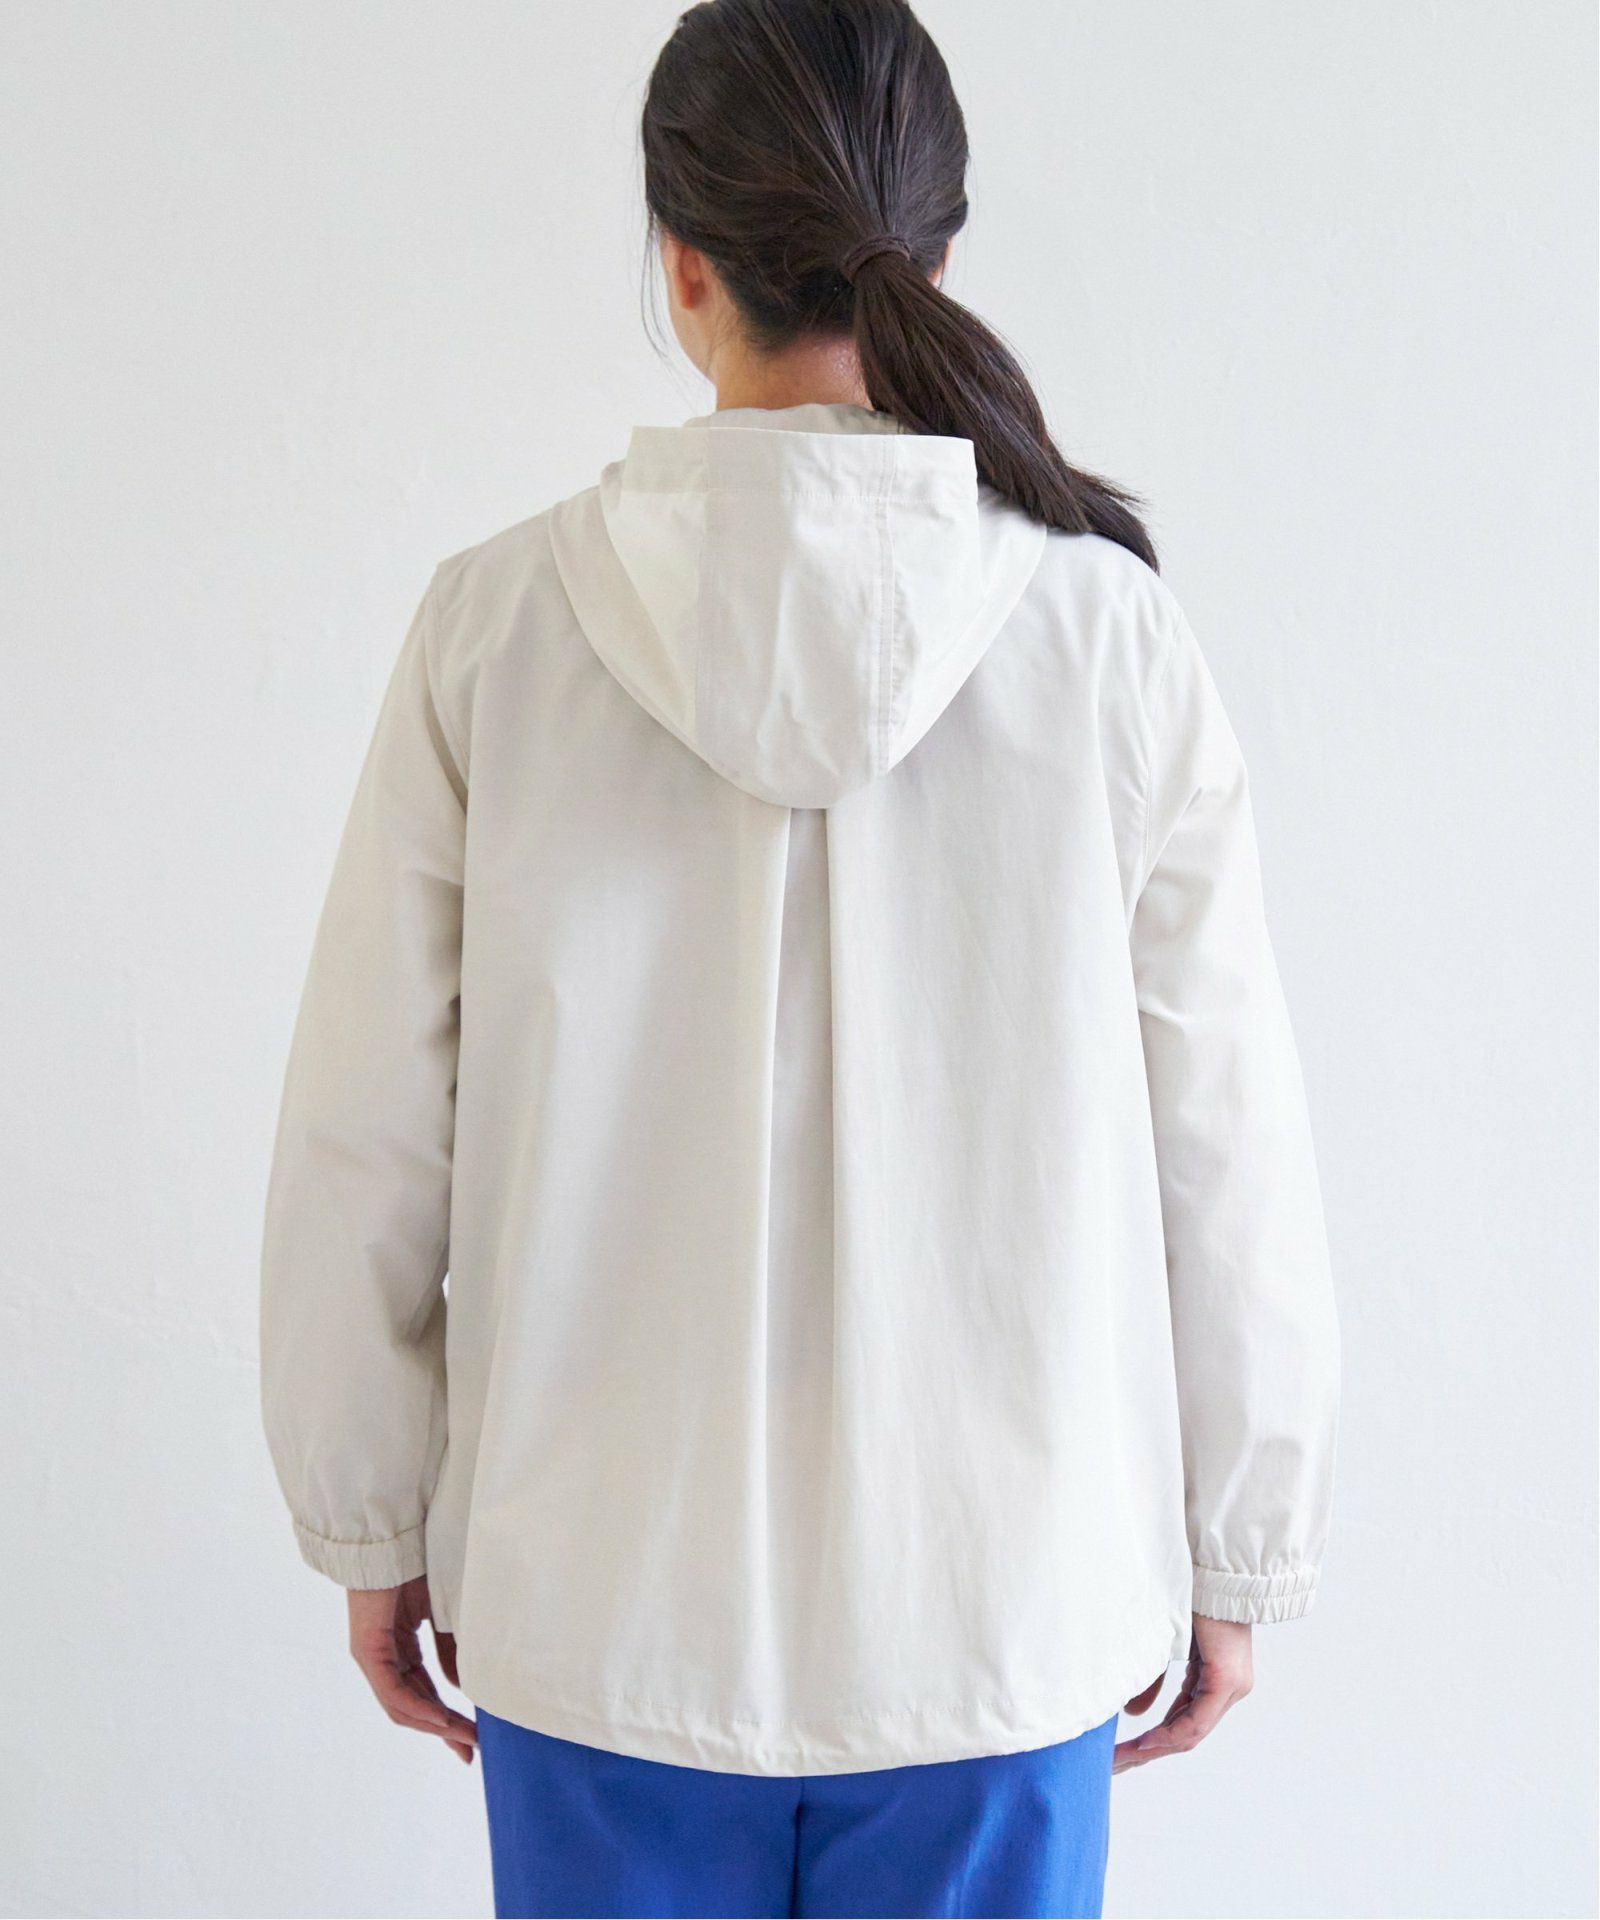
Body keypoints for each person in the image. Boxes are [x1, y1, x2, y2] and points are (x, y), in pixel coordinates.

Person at [259, 1, 1340, 1914]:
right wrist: (1240, 1544)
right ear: (934, 254)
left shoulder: (495, 634)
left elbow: (367, 1125)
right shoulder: (1108, 641)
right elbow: (1226, 1139)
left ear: (682, 265)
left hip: (599, 1616)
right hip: (994, 1624)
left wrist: (367, 1514)